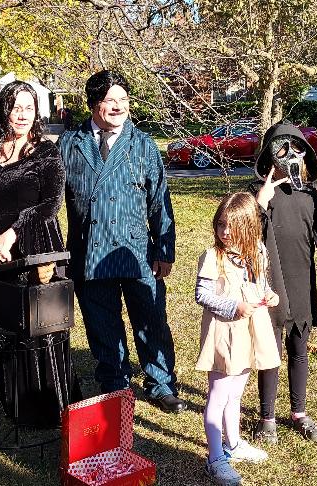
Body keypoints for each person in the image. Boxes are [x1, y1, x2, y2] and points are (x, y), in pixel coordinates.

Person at [58, 70, 183, 413]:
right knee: (102, 326)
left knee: (151, 320)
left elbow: (160, 201)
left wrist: (164, 249)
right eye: (110, 100)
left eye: (124, 100)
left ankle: (161, 383)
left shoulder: (143, 145)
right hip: (89, 252)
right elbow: (53, 198)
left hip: (137, 252)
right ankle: (115, 383)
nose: (118, 107)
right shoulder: (69, 143)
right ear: (93, 103)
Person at [0, 80, 72, 426]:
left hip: (37, 246)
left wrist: (12, 234)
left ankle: (49, 403)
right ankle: (12, 402)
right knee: (7, 323)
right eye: (16, 108)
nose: (23, 115)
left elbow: (51, 203)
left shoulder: (46, 152)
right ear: (3, 110)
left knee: (42, 324)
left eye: (29, 107)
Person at [250, 123, 317, 444]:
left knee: (299, 348)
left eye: (296, 147)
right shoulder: (257, 192)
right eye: (281, 147)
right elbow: (244, 236)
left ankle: (299, 413)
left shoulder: (310, 196)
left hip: (301, 281)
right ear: (268, 154)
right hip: (269, 284)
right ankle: (267, 418)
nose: (289, 154)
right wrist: (260, 205)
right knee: (270, 352)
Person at [195, 192, 281, 486]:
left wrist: (269, 294)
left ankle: (233, 443)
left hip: (250, 330)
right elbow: (202, 295)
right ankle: (215, 458)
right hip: (225, 333)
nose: (225, 232)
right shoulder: (213, 257)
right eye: (220, 224)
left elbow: (261, 283)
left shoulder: (257, 251)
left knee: (236, 393)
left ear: (249, 227)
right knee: (219, 394)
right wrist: (234, 307)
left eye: (232, 226)